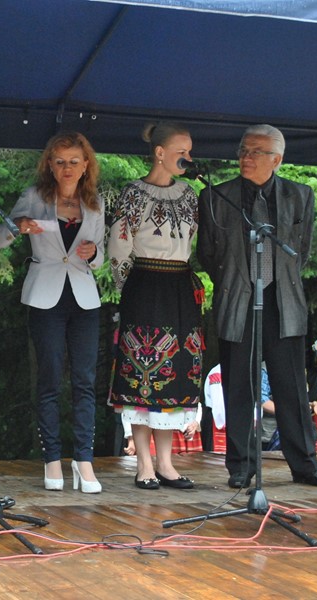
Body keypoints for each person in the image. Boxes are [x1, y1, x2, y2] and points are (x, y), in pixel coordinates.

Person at [197, 124, 317, 489]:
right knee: (238, 387)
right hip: (238, 298)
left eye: (256, 152)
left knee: (291, 387)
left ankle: (305, 465)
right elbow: (208, 253)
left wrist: (275, 278)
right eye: (243, 150)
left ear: (277, 159)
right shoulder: (216, 196)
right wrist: (239, 280)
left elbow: (301, 250)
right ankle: (241, 467)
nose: (246, 157)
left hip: (283, 299)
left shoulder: (300, 195)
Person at [0, 131, 104, 493]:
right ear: (50, 166)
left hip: (84, 298)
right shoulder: (34, 197)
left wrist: (93, 253)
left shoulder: (95, 203)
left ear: (86, 165)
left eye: (74, 161)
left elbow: (100, 255)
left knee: (85, 381)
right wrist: (18, 227)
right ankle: (52, 459)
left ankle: (84, 461)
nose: (67, 168)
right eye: (60, 162)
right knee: (50, 378)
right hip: (45, 298)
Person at [107, 122, 203, 490]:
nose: (188, 157)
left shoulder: (190, 194)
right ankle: (144, 464)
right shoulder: (132, 194)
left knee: (175, 373)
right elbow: (118, 248)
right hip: (145, 284)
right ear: (160, 153)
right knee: (143, 373)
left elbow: (191, 242)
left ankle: (166, 462)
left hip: (179, 285)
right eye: (182, 151)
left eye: (190, 151)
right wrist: (129, 288)